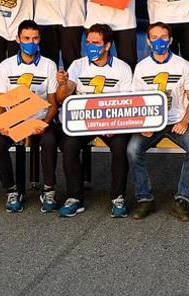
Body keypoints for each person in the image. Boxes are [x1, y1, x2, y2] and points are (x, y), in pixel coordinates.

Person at [57, 23, 134, 218]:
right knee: (69, 145)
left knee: (120, 147)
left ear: (107, 45)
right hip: (84, 121)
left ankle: (118, 197)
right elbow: (62, 97)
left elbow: (126, 103)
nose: (91, 46)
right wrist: (63, 84)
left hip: (112, 122)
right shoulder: (77, 65)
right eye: (88, 42)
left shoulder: (122, 68)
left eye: (96, 43)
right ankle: (75, 197)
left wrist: (113, 125)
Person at [127, 23, 189, 221]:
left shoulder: (183, 64)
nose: (159, 41)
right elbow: (136, 102)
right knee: (133, 150)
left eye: (163, 37)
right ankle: (145, 199)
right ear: (148, 41)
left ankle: (182, 200)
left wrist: (186, 120)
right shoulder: (142, 67)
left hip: (177, 120)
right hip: (151, 123)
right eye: (154, 37)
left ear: (170, 40)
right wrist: (143, 125)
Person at [0, 20, 60, 213]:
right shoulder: (6, 66)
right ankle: (12, 191)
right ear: (18, 39)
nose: (31, 42)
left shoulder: (49, 65)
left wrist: (45, 123)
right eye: (27, 38)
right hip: (15, 122)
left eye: (35, 38)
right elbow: (0, 101)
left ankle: (48, 190)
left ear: (40, 39)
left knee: (49, 140)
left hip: (40, 120)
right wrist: (4, 125)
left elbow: (53, 103)